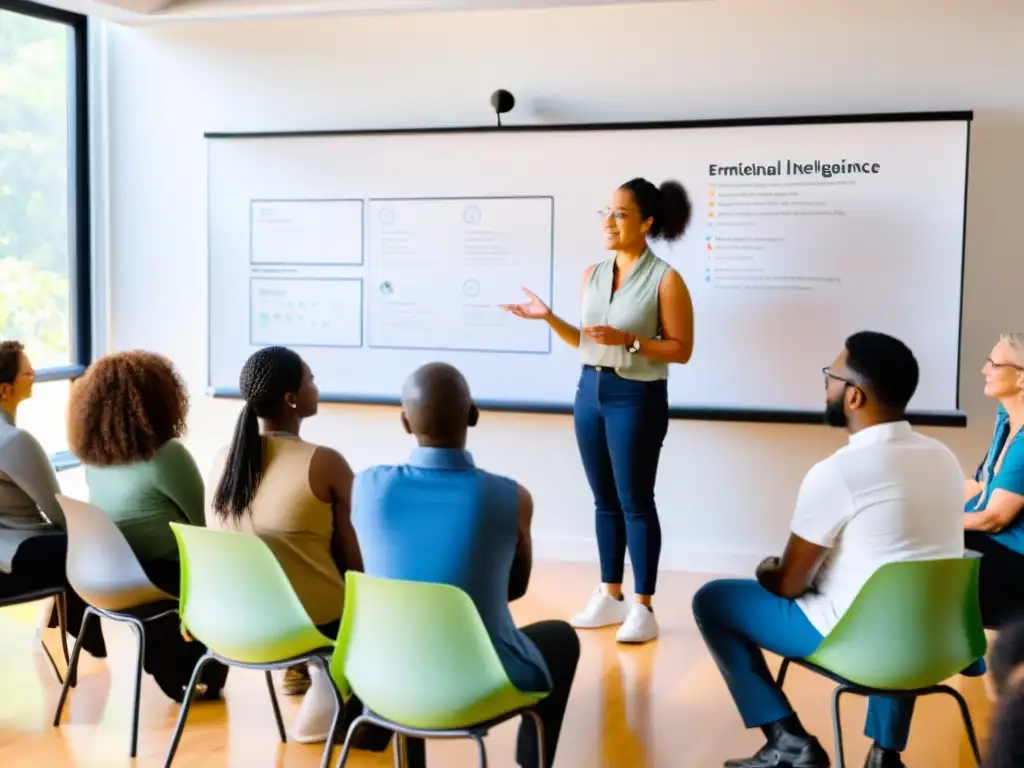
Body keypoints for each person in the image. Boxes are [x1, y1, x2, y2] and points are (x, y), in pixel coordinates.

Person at [691, 331, 965, 768]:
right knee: (902, 600)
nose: (826, 386)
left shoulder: (838, 472)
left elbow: (787, 584)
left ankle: (788, 741)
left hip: (865, 648)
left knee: (712, 600)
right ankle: (885, 755)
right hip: (941, 643)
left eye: (831, 376)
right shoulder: (944, 459)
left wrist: (767, 569)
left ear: (854, 396)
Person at [350, 362, 581, 768]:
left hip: (379, 675)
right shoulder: (510, 498)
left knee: (412, 629)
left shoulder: (366, 488)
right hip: (474, 684)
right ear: (473, 415)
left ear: (405, 422)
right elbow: (515, 589)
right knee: (561, 638)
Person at [501, 177, 694, 644]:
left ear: (646, 222)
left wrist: (630, 340)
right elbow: (588, 341)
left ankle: (643, 606)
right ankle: (611, 594)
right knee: (603, 500)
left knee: (635, 500)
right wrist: (548, 318)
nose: (609, 222)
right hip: (590, 390)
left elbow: (681, 349)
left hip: (637, 396)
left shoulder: (666, 279)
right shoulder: (591, 274)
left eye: (621, 214)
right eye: (606, 212)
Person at [207, 345, 362, 718]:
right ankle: (331, 679)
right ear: (292, 398)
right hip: (307, 624)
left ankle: (306, 667)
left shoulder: (223, 459)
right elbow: (355, 563)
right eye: (311, 380)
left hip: (231, 621)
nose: (317, 386)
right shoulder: (325, 463)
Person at [68, 350, 228, 702]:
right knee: (230, 561)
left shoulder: (93, 463)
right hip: (158, 581)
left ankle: (179, 658)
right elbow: (202, 530)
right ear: (160, 399)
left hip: (100, 580)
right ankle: (207, 663)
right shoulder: (168, 455)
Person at [0, 340, 106, 659]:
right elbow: (58, 510)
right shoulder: (15, 441)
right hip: (14, 555)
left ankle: (63, 627)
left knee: (76, 543)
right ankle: (85, 631)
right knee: (90, 544)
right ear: (5, 389)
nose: (34, 376)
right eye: (28, 372)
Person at [962, 333, 1024, 628]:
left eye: (993, 364)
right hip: (995, 548)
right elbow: (980, 488)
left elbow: (995, 518)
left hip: (1016, 565)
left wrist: (934, 521)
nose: (984, 370)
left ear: (1021, 378)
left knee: (937, 543)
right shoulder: (1007, 418)